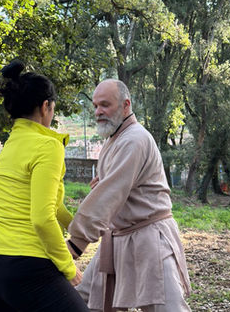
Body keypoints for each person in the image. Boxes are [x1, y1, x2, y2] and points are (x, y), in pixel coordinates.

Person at [66, 79, 191, 312]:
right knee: (84, 300)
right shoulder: (115, 138)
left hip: (150, 238)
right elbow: (115, 187)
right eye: (95, 106)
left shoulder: (134, 139)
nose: (98, 112)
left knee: (167, 308)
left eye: (105, 105)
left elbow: (109, 195)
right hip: (117, 238)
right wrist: (105, 181)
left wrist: (75, 244)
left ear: (126, 105)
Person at [0, 60, 89, 312]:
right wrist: (68, 268)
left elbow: (54, 206)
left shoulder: (10, 145)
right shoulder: (48, 146)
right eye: (53, 108)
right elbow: (42, 217)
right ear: (45, 106)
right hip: (28, 267)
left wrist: (79, 227)